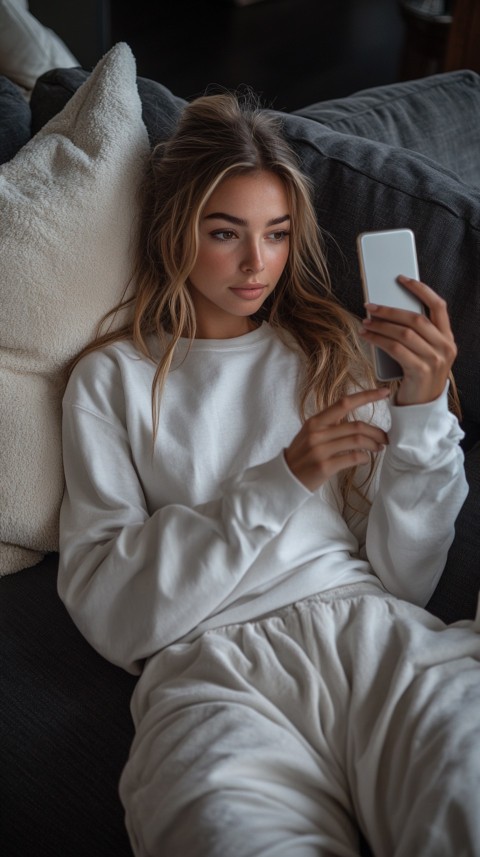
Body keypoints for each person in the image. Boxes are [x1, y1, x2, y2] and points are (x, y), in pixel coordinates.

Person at [58, 91, 480, 857]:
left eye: (277, 234)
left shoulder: (328, 349)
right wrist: (281, 478)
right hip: (216, 670)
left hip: (375, 638)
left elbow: (404, 578)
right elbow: (109, 609)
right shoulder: (113, 379)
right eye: (226, 234)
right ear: (172, 231)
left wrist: (421, 415)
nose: (258, 264)